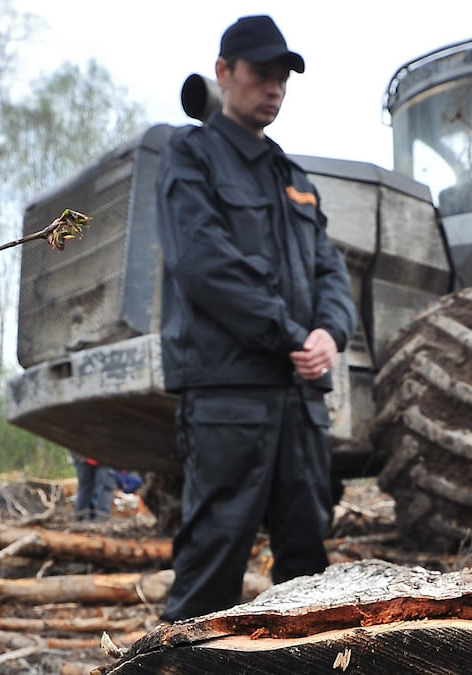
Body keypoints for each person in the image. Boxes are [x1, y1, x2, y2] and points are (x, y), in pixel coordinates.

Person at [154, 15, 357, 621]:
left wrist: (330, 332)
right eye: (261, 74)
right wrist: (292, 334)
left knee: (307, 572)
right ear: (224, 73)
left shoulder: (293, 178)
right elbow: (204, 263)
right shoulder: (192, 155)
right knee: (211, 565)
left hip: (300, 401)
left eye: (282, 79)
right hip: (227, 399)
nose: (274, 88)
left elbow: (331, 271)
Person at [72, 454, 116, 521]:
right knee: (86, 487)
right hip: (83, 457)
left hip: (104, 457)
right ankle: (81, 516)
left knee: (103, 486)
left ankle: (101, 517)